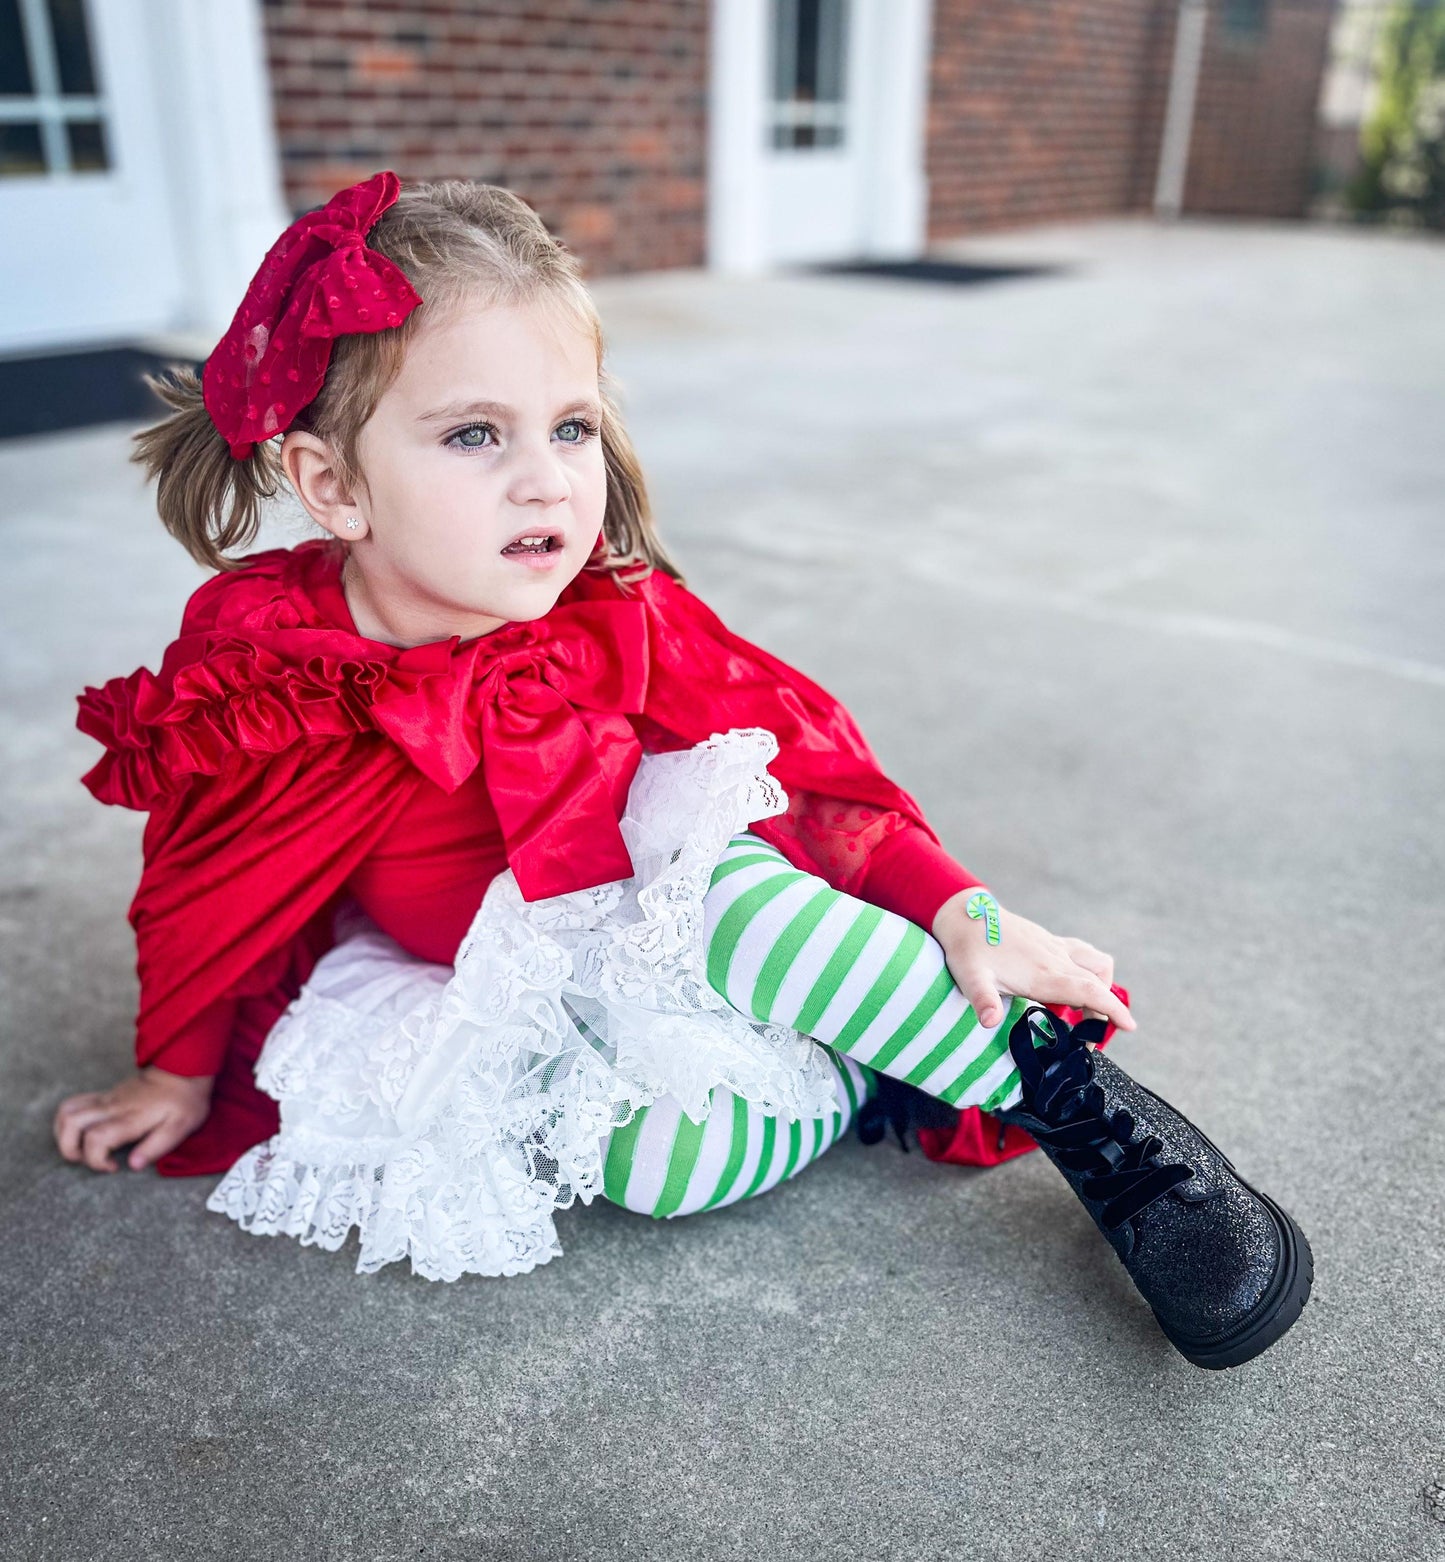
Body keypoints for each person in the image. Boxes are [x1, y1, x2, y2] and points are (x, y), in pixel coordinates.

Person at [51, 174, 1311, 1368]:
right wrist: (174, 1066)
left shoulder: (608, 609)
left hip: (669, 897)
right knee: (652, 1168)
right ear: (333, 484)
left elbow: (809, 764)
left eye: (570, 426)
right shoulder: (265, 667)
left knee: (733, 904)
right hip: (508, 972)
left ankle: (1084, 1115)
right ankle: (856, 1063)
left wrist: (955, 904)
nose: (545, 477)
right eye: (473, 433)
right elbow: (203, 875)